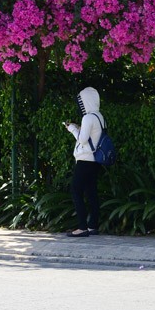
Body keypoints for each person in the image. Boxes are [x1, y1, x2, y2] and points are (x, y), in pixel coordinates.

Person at [63, 86, 104, 237]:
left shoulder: (88, 117)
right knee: (91, 192)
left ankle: (82, 227)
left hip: (85, 160)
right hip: (96, 160)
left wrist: (72, 128)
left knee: (76, 190)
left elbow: (82, 139)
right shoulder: (99, 116)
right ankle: (93, 225)